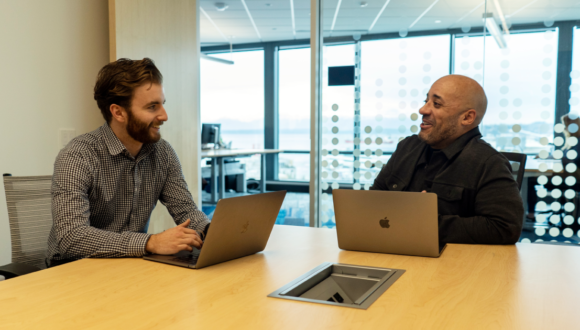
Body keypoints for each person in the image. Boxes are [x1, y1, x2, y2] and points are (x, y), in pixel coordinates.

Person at [46, 58, 209, 267]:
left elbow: (186, 211)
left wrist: (212, 231)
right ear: (118, 112)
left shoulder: (163, 153)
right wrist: (151, 242)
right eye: (152, 107)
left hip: (130, 264)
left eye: (162, 104)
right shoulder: (78, 156)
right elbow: (73, 238)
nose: (164, 116)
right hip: (74, 269)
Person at [371, 74, 523, 245]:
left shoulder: (489, 163)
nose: (423, 110)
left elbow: (505, 228)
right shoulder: (407, 147)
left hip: (451, 265)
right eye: (426, 101)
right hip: (392, 249)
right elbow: (372, 200)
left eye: (436, 104)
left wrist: (428, 223)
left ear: (467, 118)